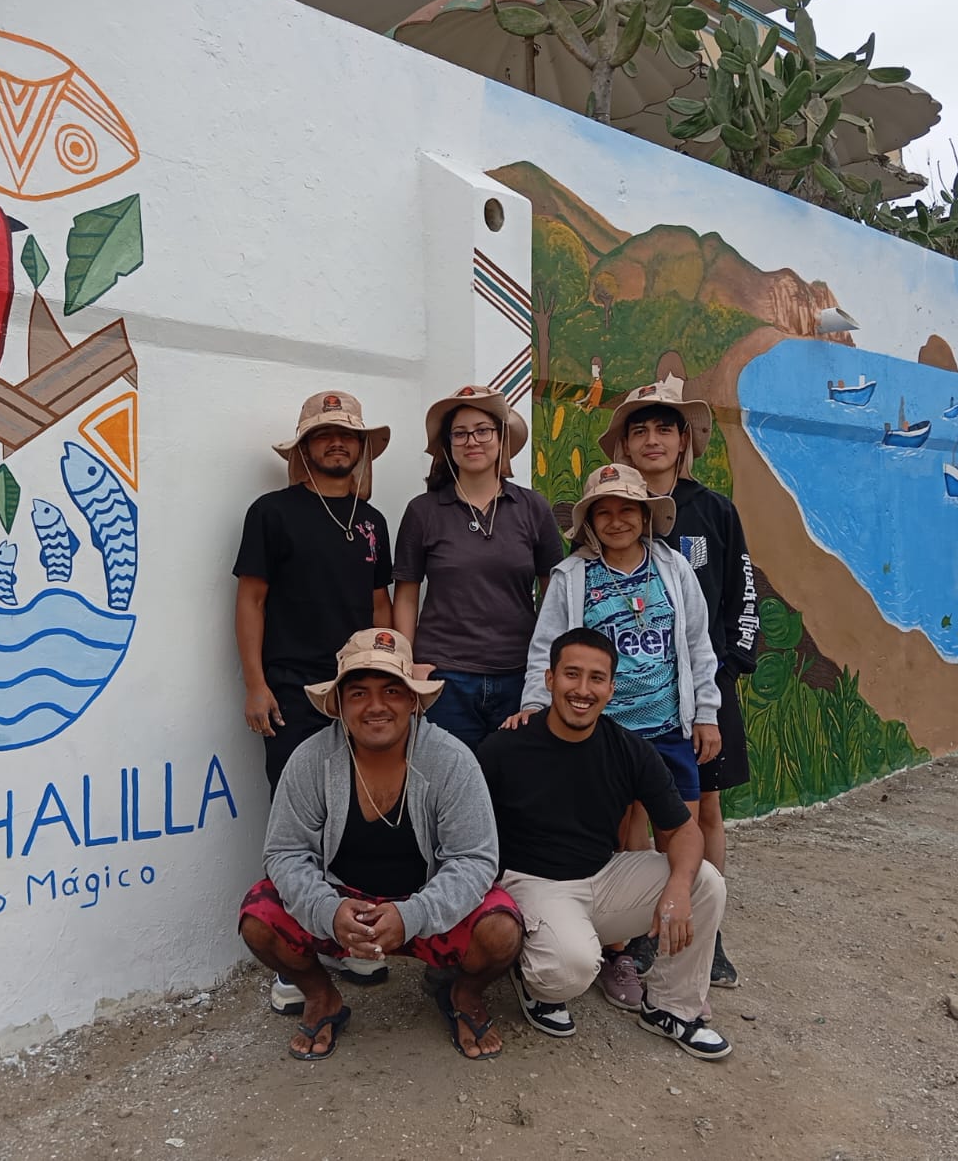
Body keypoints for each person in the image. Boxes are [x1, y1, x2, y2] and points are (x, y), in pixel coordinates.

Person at [237, 629, 524, 1061]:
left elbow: (475, 859)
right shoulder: (311, 759)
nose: (376, 706)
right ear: (339, 704)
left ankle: (464, 995)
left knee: (501, 930)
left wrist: (412, 915)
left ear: (413, 700)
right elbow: (285, 852)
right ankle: (321, 997)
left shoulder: (451, 760)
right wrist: (328, 910)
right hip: (341, 907)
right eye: (358, 693)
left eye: (392, 690)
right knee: (258, 918)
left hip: (427, 907)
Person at [506, 462, 720, 1011]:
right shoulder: (572, 577)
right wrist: (533, 708)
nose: (617, 520)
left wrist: (707, 712)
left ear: (647, 515)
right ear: (589, 521)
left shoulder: (673, 568)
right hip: (603, 735)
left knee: (680, 837)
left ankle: (676, 954)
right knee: (620, 842)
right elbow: (545, 648)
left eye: (628, 509)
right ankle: (619, 952)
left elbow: (697, 645)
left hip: (667, 726)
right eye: (604, 511)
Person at [480, 628, 729, 1057]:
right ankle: (533, 977)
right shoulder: (505, 746)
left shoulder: (628, 749)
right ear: (549, 679)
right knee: (569, 971)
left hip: (603, 877)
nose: (582, 689)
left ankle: (672, 1008)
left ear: (612, 689)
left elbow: (684, 830)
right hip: (533, 883)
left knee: (704, 881)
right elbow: (466, 836)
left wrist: (677, 887)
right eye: (571, 674)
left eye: (596, 678)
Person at [233, 390, 395, 1010]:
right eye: (324, 435)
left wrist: (391, 682)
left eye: (346, 435)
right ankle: (292, 954)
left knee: (356, 817)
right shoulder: (271, 513)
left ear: (360, 448)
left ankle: (344, 938)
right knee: (295, 821)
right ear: (303, 449)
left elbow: (380, 607)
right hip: (291, 692)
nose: (336, 444)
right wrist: (255, 683)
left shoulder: (373, 521)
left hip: (360, 696)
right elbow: (251, 600)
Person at [598, 375, 758, 988]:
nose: (652, 439)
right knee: (632, 810)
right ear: (624, 444)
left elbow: (742, 592)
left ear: (684, 439)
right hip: (631, 695)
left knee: (705, 806)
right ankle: (640, 927)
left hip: (702, 690)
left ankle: (707, 931)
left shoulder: (713, 511)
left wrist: (728, 668)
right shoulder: (611, 509)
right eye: (639, 429)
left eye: (665, 428)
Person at [392, 385, 564, 752]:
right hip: (444, 679)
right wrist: (409, 665)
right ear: (448, 444)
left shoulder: (533, 508)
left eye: (483, 430)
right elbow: (406, 596)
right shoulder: (423, 511)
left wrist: (547, 666)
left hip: (519, 677)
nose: (472, 441)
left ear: (501, 439)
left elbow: (554, 592)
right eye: (460, 433)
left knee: (515, 780)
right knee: (446, 779)